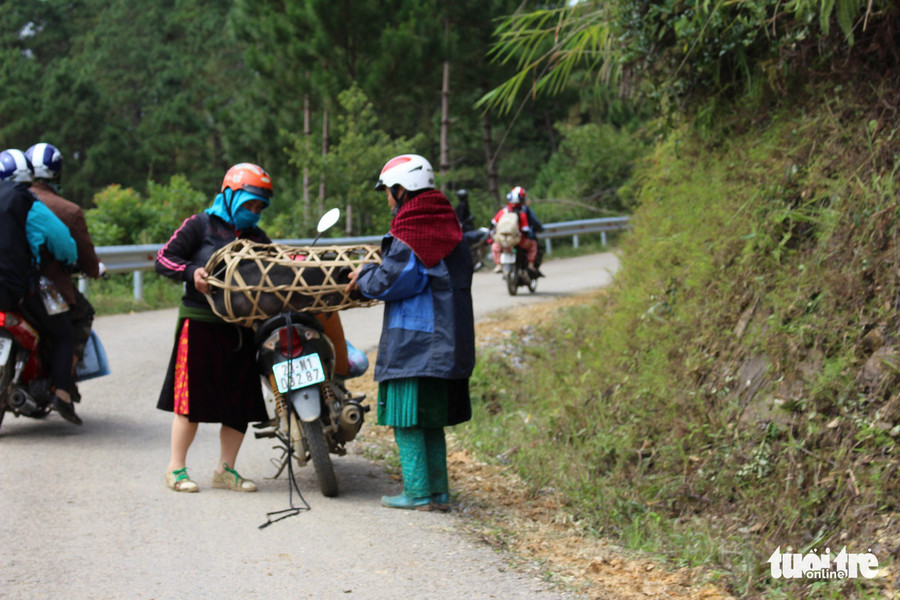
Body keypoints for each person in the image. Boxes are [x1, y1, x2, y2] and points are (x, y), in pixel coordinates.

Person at [346, 154, 475, 511]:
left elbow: (394, 279)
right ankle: (439, 493)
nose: (387, 198)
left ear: (402, 190)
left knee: (406, 418)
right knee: (431, 420)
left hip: (416, 341)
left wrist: (364, 279)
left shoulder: (411, 229)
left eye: (389, 191)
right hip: (450, 340)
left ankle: (417, 493)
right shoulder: (449, 223)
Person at [155, 163, 274, 493]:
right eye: (249, 204)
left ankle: (226, 470)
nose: (254, 212)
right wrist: (191, 271)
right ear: (230, 195)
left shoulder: (256, 238)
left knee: (239, 402)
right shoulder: (200, 225)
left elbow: (276, 267)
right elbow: (163, 259)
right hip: (201, 323)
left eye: (258, 207)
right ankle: (176, 468)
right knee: (190, 401)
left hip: (240, 328)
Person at [0, 149, 81, 424]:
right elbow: (64, 244)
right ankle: (62, 393)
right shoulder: (28, 202)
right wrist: (69, 261)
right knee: (62, 334)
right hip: (17, 289)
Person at [26, 143, 104, 398]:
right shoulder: (65, 210)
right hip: (45, 287)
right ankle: (63, 385)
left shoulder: (10, 200)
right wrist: (91, 269)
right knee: (77, 320)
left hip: (11, 281)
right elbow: (73, 253)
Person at [490, 186, 541, 275]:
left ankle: (498, 265)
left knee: (495, 246)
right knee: (533, 244)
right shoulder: (522, 214)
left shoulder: (502, 212)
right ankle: (530, 265)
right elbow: (525, 230)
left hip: (502, 241)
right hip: (517, 241)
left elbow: (492, 224)